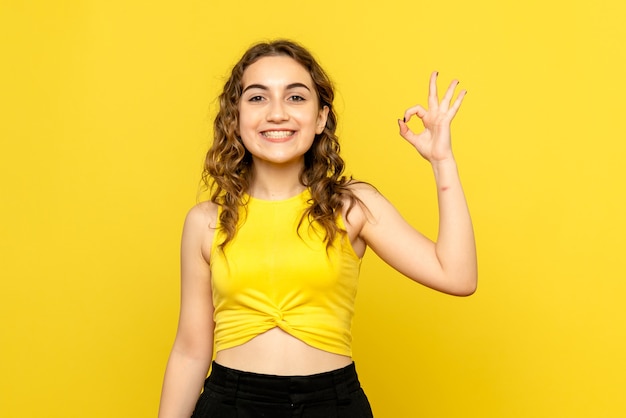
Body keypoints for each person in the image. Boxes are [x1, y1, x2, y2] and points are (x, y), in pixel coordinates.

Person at [158, 39, 477, 418]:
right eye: (258, 98)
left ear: (321, 117)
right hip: (230, 404)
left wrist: (443, 162)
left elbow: (457, 276)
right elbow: (191, 350)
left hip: (332, 404)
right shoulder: (205, 220)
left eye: (295, 98)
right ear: (236, 117)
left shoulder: (351, 206)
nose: (277, 113)